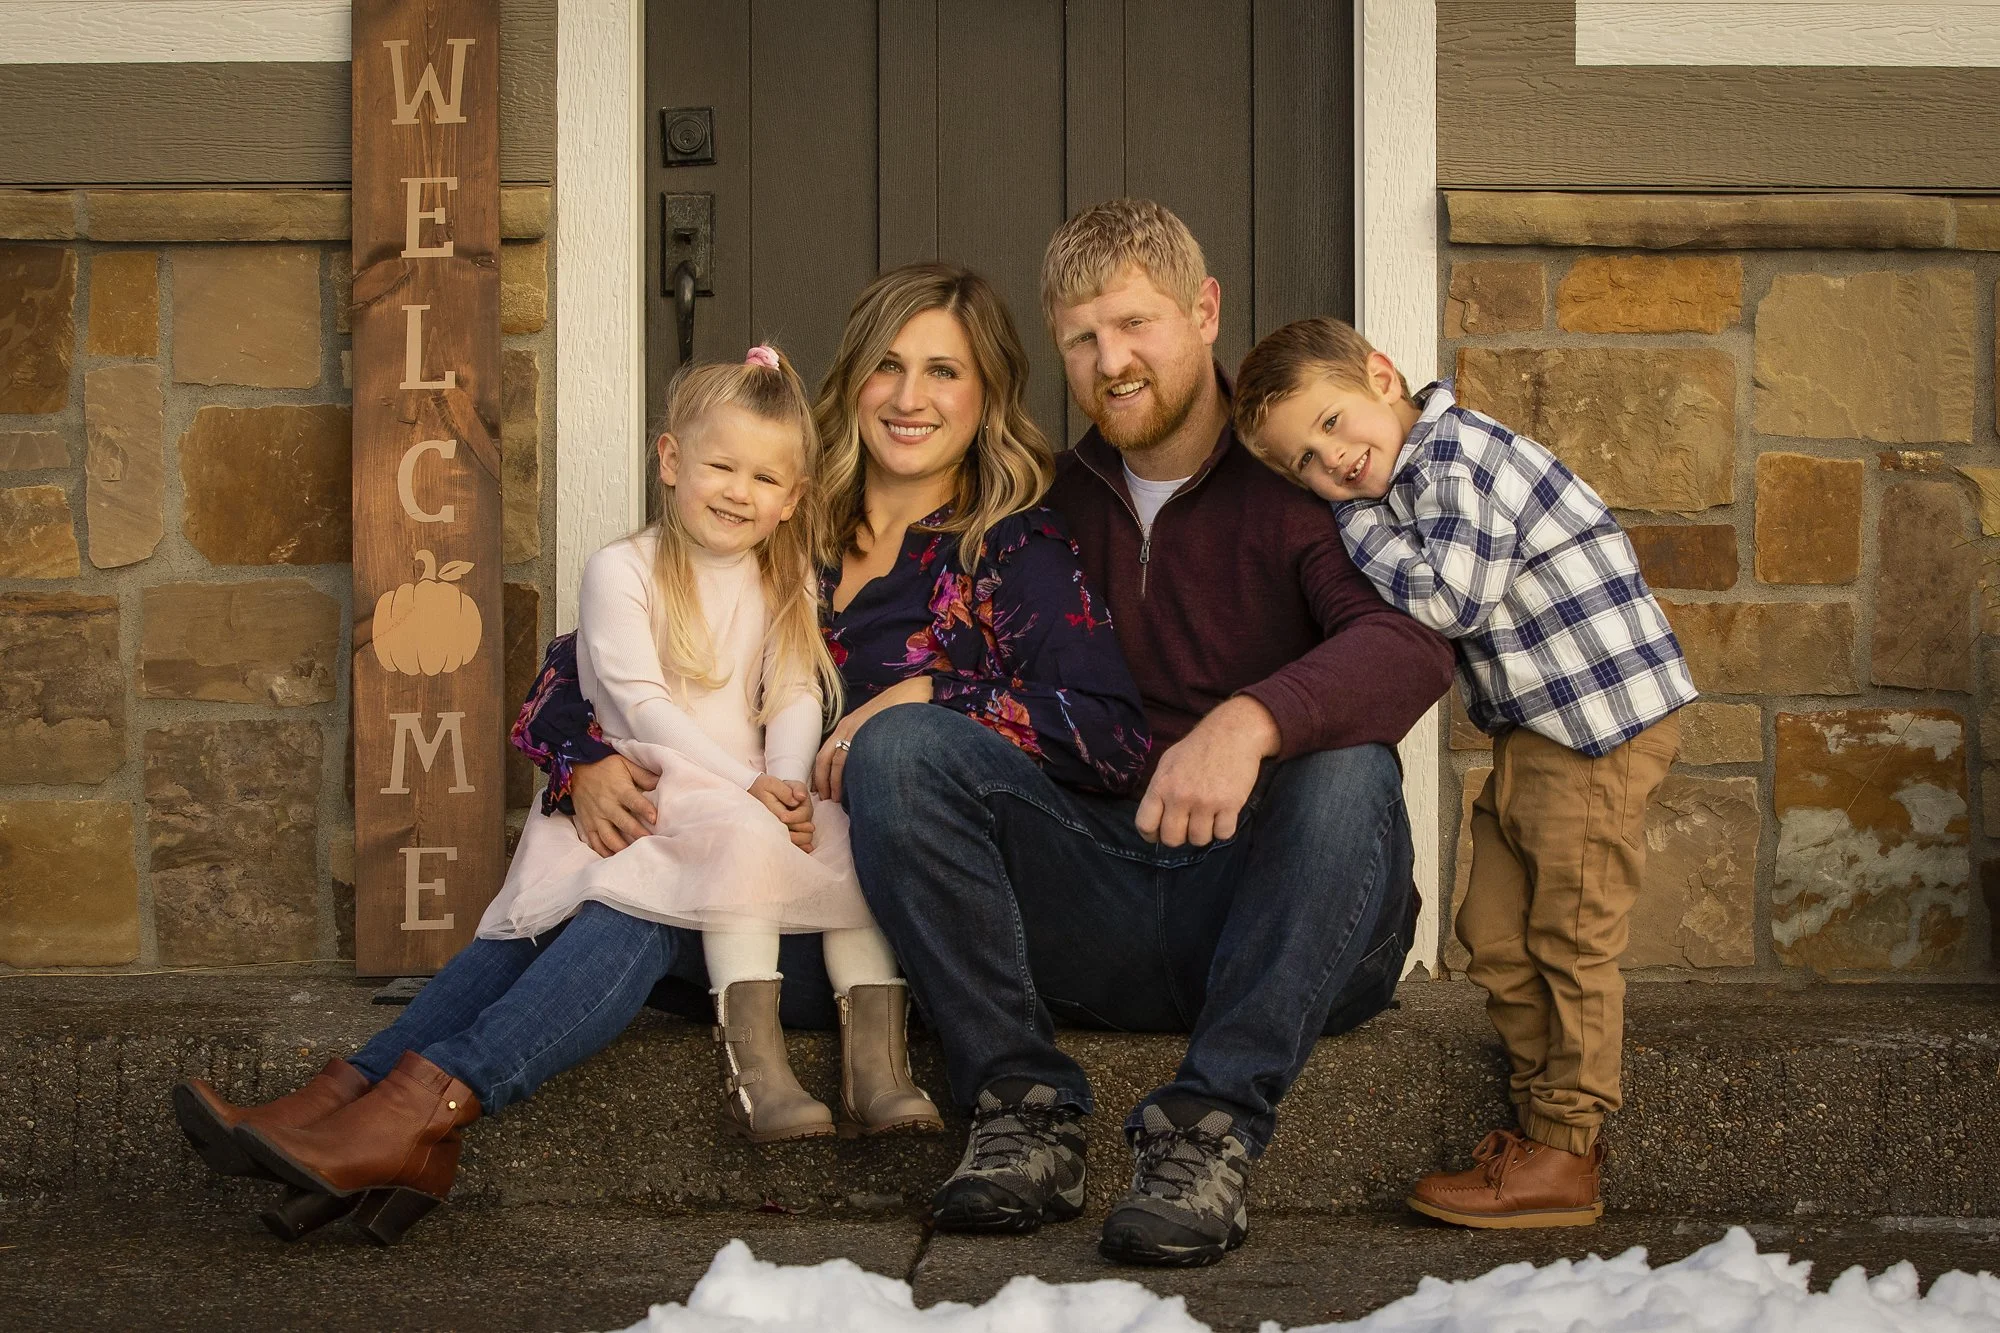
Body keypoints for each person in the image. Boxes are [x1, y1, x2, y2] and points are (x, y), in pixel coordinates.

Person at [831, 201, 1457, 1268]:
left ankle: (1207, 1131)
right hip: (1100, 896)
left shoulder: (1307, 473)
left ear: (1204, 310)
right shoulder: (1042, 503)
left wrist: (1251, 720)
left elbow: (1409, 647)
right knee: (902, 752)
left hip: (1283, 911)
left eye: (1133, 324)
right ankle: (1022, 1113)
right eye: (1079, 337)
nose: (1107, 360)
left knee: (1348, 767)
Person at [1232, 316, 1696, 1229]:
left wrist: (1350, 521)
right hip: (1539, 730)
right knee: (1493, 929)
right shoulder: (1414, 477)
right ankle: (1535, 1128)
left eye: (1331, 424)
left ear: (1380, 374)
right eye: (1304, 468)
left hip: (1599, 725)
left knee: (1570, 931)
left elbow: (1450, 597)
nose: (1332, 464)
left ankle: (1567, 1149)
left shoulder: (1458, 459)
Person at [482, 343, 938, 1147]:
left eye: (765, 479)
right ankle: (757, 1066)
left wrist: (789, 780)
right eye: (721, 466)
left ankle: (880, 1068)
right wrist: (746, 790)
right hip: (664, 788)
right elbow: (641, 706)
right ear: (669, 458)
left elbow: (795, 689)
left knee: (844, 832)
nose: (739, 492)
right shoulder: (623, 570)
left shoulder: (786, 579)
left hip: (750, 788)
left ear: (793, 498)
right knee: (742, 836)